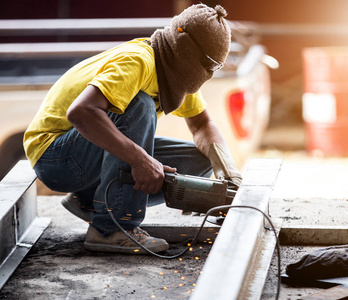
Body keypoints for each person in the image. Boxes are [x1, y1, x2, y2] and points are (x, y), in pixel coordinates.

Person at [23, 4, 242, 255]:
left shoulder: (174, 71)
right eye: (210, 65)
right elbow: (81, 112)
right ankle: (110, 229)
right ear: (189, 52)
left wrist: (228, 170)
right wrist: (141, 160)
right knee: (140, 105)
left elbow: (203, 125)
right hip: (55, 157)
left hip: (81, 155)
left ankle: (91, 200)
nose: (209, 73)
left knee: (200, 160)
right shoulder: (139, 61)